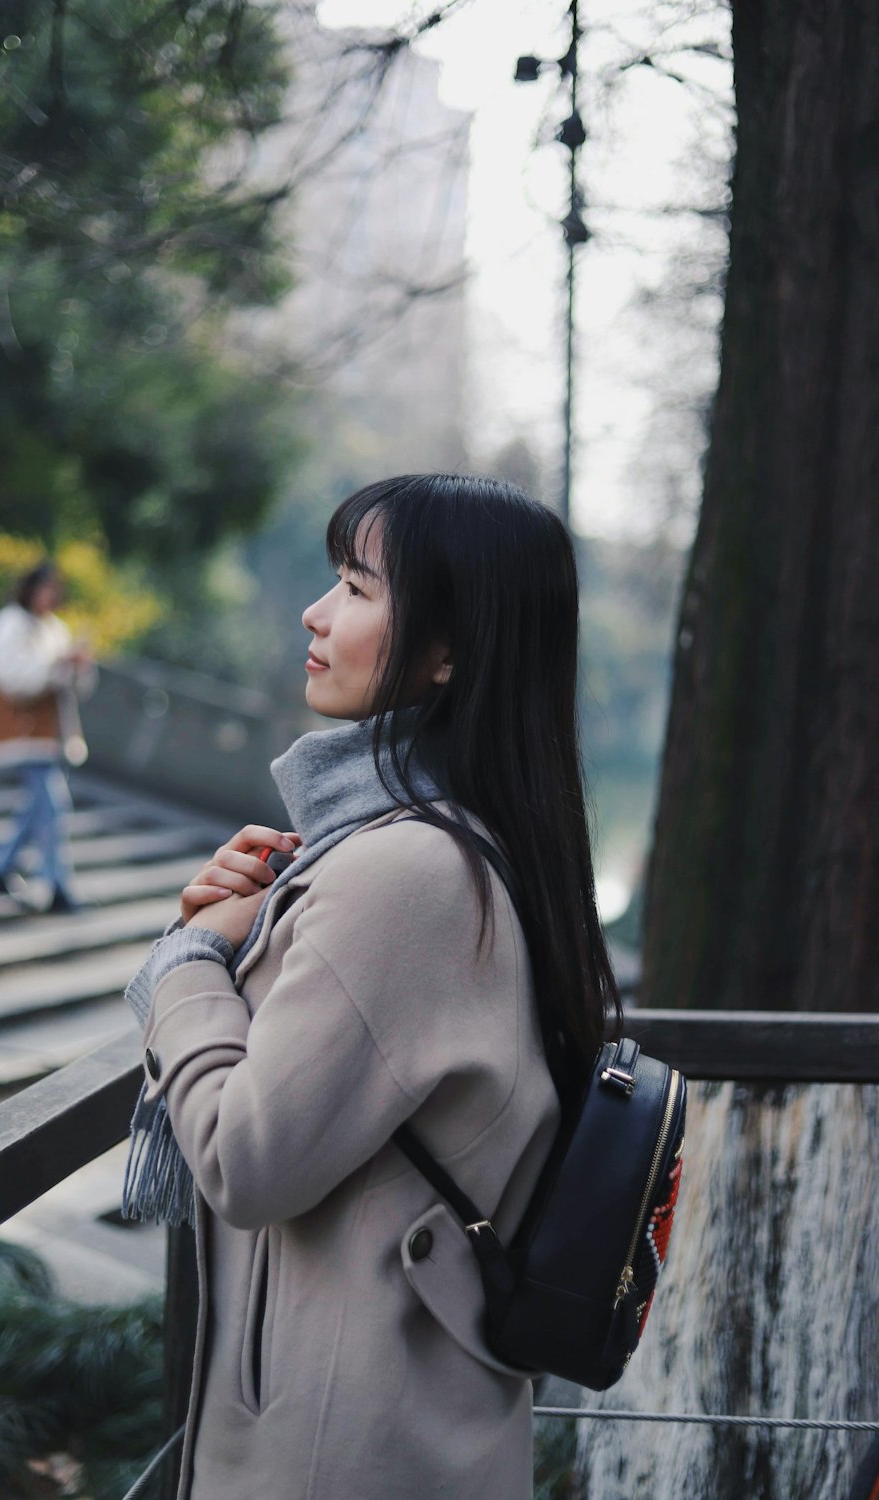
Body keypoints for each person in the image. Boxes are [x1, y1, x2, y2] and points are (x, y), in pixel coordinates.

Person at [122, 474, 620, 1499]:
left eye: (356, 586)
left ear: (448, 652)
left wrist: (188, 964)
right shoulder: (449, 844)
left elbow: (247, 1160)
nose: (315, 612)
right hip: (393, 1419)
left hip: (342, 1449)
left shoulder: (407, 874)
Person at [0, 561, 95, 913]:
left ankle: (0, 868)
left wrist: (76, 665)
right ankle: (57, 885)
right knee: (52, 806)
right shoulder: (9, 623)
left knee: (38, 808)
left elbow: (74, 686)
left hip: (50, 733)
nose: (49, 597)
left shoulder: (54, 627)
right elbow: (11, 679)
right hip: (21, 731)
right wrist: (58, 665)